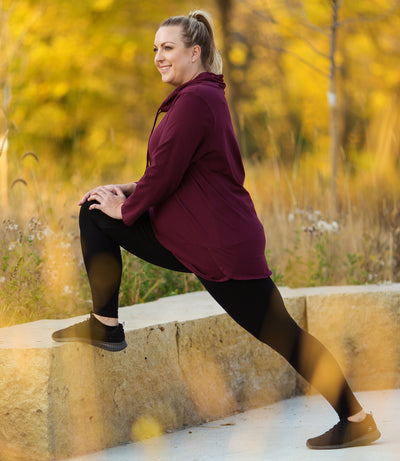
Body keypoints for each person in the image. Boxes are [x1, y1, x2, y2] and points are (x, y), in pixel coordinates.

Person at [52, 10, 381, 450]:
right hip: (196, 237)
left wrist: (125, 210)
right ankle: (105, 322)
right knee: (95, 211)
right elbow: (174, 169)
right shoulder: (201, 98)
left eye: (167, 48)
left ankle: (356, 418)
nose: (158, 57)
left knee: (284, 335)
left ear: (195, 51)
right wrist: (124, 191)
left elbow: (167, 173)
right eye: (155, 49)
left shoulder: (194, 101)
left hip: (219, 247)